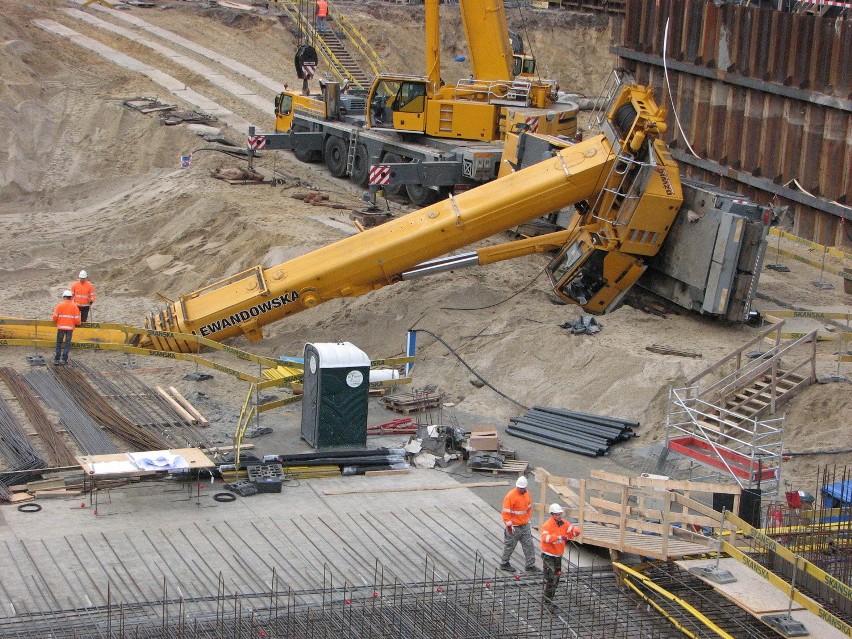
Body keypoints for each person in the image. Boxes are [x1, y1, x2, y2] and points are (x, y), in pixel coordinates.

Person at [540, 503, 581, 609]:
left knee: (557, 578)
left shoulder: (564, 523)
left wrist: (575, 531)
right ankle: (548, 601)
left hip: (558, 556)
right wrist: (559, 537)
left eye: (560, 514)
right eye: (557, 514)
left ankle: (549, 598)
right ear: (552, 514)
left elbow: (570, 529)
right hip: (548, 555)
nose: (559, 516)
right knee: (551, 578)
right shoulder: (547, 525)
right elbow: (545, 538)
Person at [499, 476, 539, 573]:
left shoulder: (527, 494)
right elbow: (505, 513)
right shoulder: (510, 496)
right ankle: (504, 563)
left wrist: (527, 519)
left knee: (529, 545)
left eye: (523, 488)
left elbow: (528, 508)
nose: (521, 489)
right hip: (514, 527)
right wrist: (509, 525)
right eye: (520, 488)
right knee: (510, 545)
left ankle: (530, 565)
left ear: (525, 487)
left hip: (524, 525)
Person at [52, 290, 81, 365]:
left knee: (59, 343)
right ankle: (64, 360)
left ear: (64, 297)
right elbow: (77, 320)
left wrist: (57, 321)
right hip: (70, 329)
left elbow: (54, 317)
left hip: (61, 327)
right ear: (71, 297)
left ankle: (57, 359)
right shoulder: (74, 306)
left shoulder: (59, 305)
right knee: (67, 344)